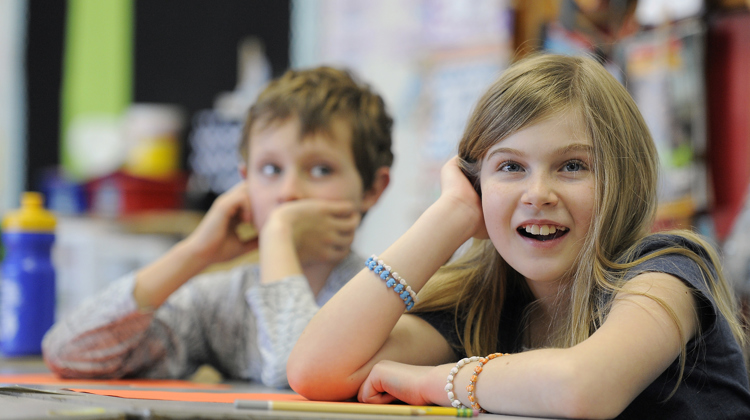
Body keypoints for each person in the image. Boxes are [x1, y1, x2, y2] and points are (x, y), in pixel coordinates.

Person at [287, 54, 750, 419]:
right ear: (476, 184)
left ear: (622, 180)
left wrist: (432, 382)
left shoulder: (666, 270)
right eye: (510, 167)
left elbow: (583, 386)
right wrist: (448, 217)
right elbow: (315, 370)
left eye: (573, 166)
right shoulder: (483, 305)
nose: (538, 194)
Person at [42, 66, 393, 388]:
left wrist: (277, 235)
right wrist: (194, 253)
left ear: (372, 189)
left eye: (320, 170)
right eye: (270, 170)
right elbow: (68, 352)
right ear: (244, 182)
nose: (288, 193)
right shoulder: (224, 301)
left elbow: (297, 369)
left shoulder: (383, 300)